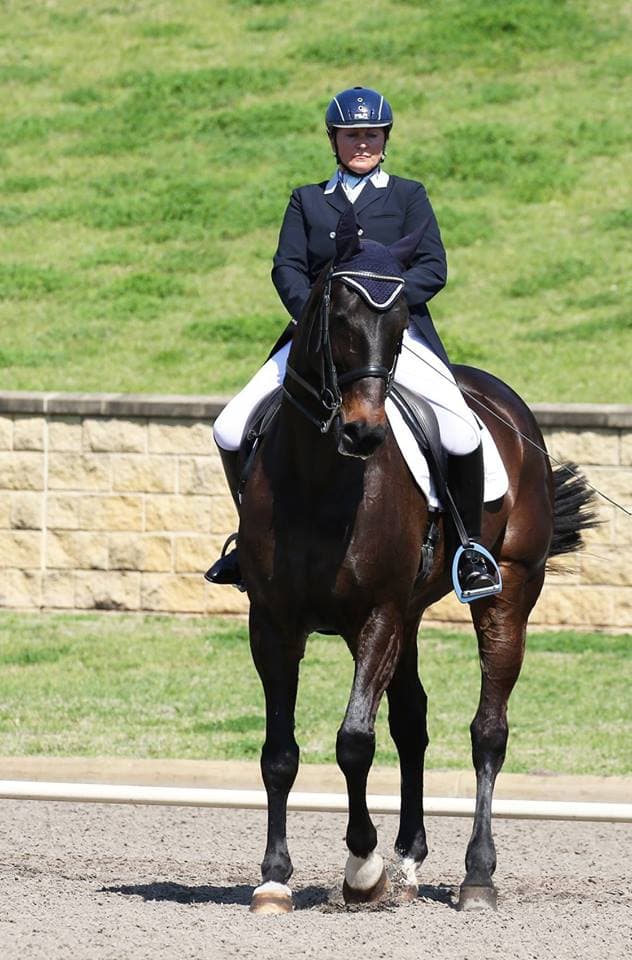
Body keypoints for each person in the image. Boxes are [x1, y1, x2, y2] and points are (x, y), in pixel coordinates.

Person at [207, 86, 501, 599]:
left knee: (461, 431)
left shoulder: (409, 196)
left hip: (394, 338)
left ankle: (469, 550)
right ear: (334, 140)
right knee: (230, 426)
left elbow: (433, 266)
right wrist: (317, 319)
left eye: (371, 134)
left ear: (385, 139)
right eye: (351, 135)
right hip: (317, 340)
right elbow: (288, 267)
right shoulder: (307, 200)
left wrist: (379, 309)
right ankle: (249, 543)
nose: (361, 143)